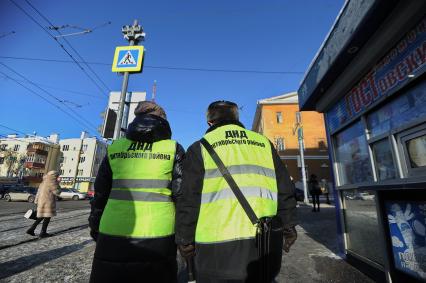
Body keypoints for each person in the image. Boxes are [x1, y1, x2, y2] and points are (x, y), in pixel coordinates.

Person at [175, 100, 298, 282]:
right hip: (263, 242)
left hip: (214, 247)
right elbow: (285, 189)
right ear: (236, 118)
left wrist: (185, 239)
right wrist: (288, 226)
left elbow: (188, 199)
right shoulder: (263, 144)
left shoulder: (200, 147)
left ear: (210, 122)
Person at [88, 101, 185, 283]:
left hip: (113, 230)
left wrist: (95, 226)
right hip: (159, 232)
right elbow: (182, 196)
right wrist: (184, 236)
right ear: (163, 120)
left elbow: (101, 193)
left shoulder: (115, 148)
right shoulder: (173, 148)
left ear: (136, 118)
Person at [26, 170, 61, 238]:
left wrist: (36, 201)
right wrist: (58, 183)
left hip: (41, 202)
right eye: (57, 176)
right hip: (48, 202)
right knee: (47, 217)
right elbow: (57, 192)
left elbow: (38, 192)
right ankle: (43, 233)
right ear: (55, 176)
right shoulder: (52, 182)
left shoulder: (43, 181)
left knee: (41, 216)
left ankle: (31, 229)